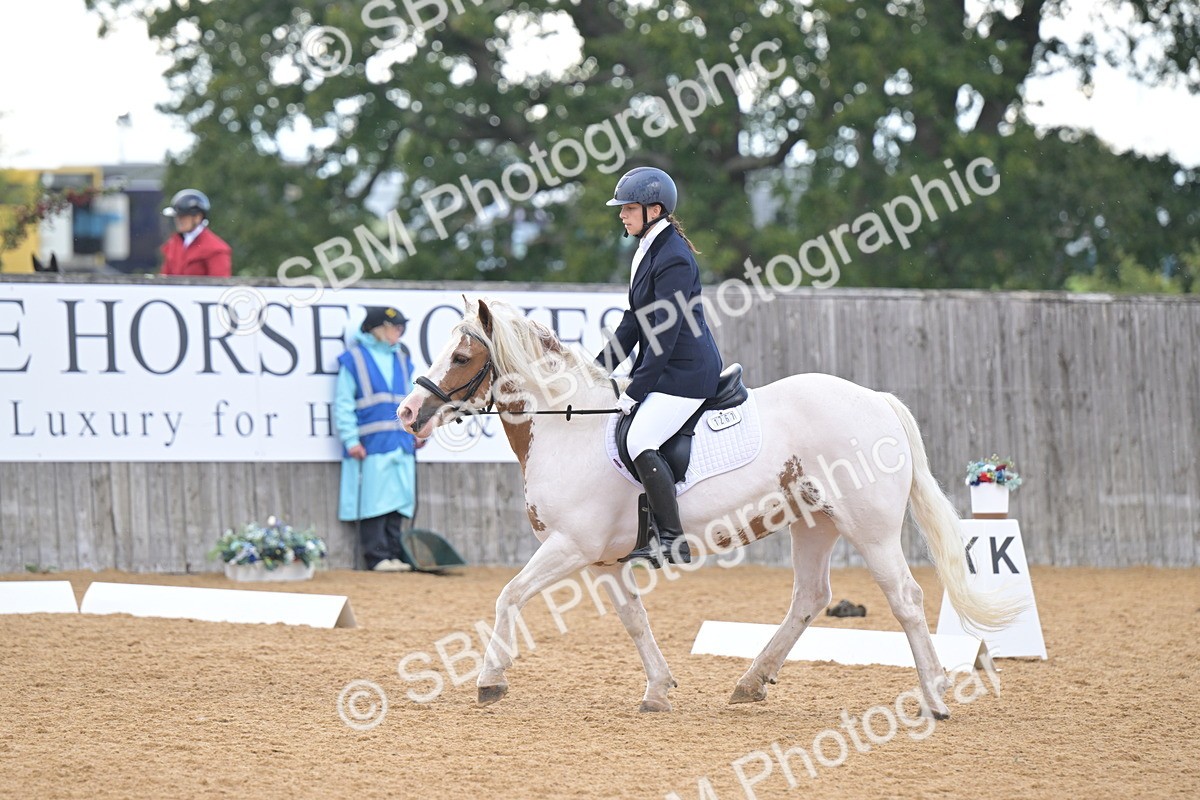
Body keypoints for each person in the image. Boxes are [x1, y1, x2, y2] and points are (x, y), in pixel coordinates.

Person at [594, 166, 724, 566]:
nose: (621, 214)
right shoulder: (647, 250)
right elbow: (633, 322)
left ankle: (671, 538)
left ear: (654, 210)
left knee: (639, 439)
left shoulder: (674, 258)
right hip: (667, 368)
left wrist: (634, 390)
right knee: (629, 432)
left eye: (628, 207)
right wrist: (596, 371)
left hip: (687, 372)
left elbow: (663, 335)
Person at [335, 305, 422, 571]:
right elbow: (343, 404)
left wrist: (418, 430)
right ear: (377, 329)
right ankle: (376, 556)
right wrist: (351, 440)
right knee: (373, 501)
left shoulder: (403, 360)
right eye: (393, 326)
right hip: (371, 445)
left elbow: (413, 399)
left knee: (398, 500)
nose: (399, 331)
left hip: (400, 443)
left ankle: (394, 554)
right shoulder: (354, 359)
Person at [159, 188, 232, 276]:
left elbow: (219, 284)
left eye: (183, 216)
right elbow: (164, 278)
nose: (178, 220)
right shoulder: (173, 243)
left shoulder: (216, 249)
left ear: (197, 217)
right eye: (177, 216)